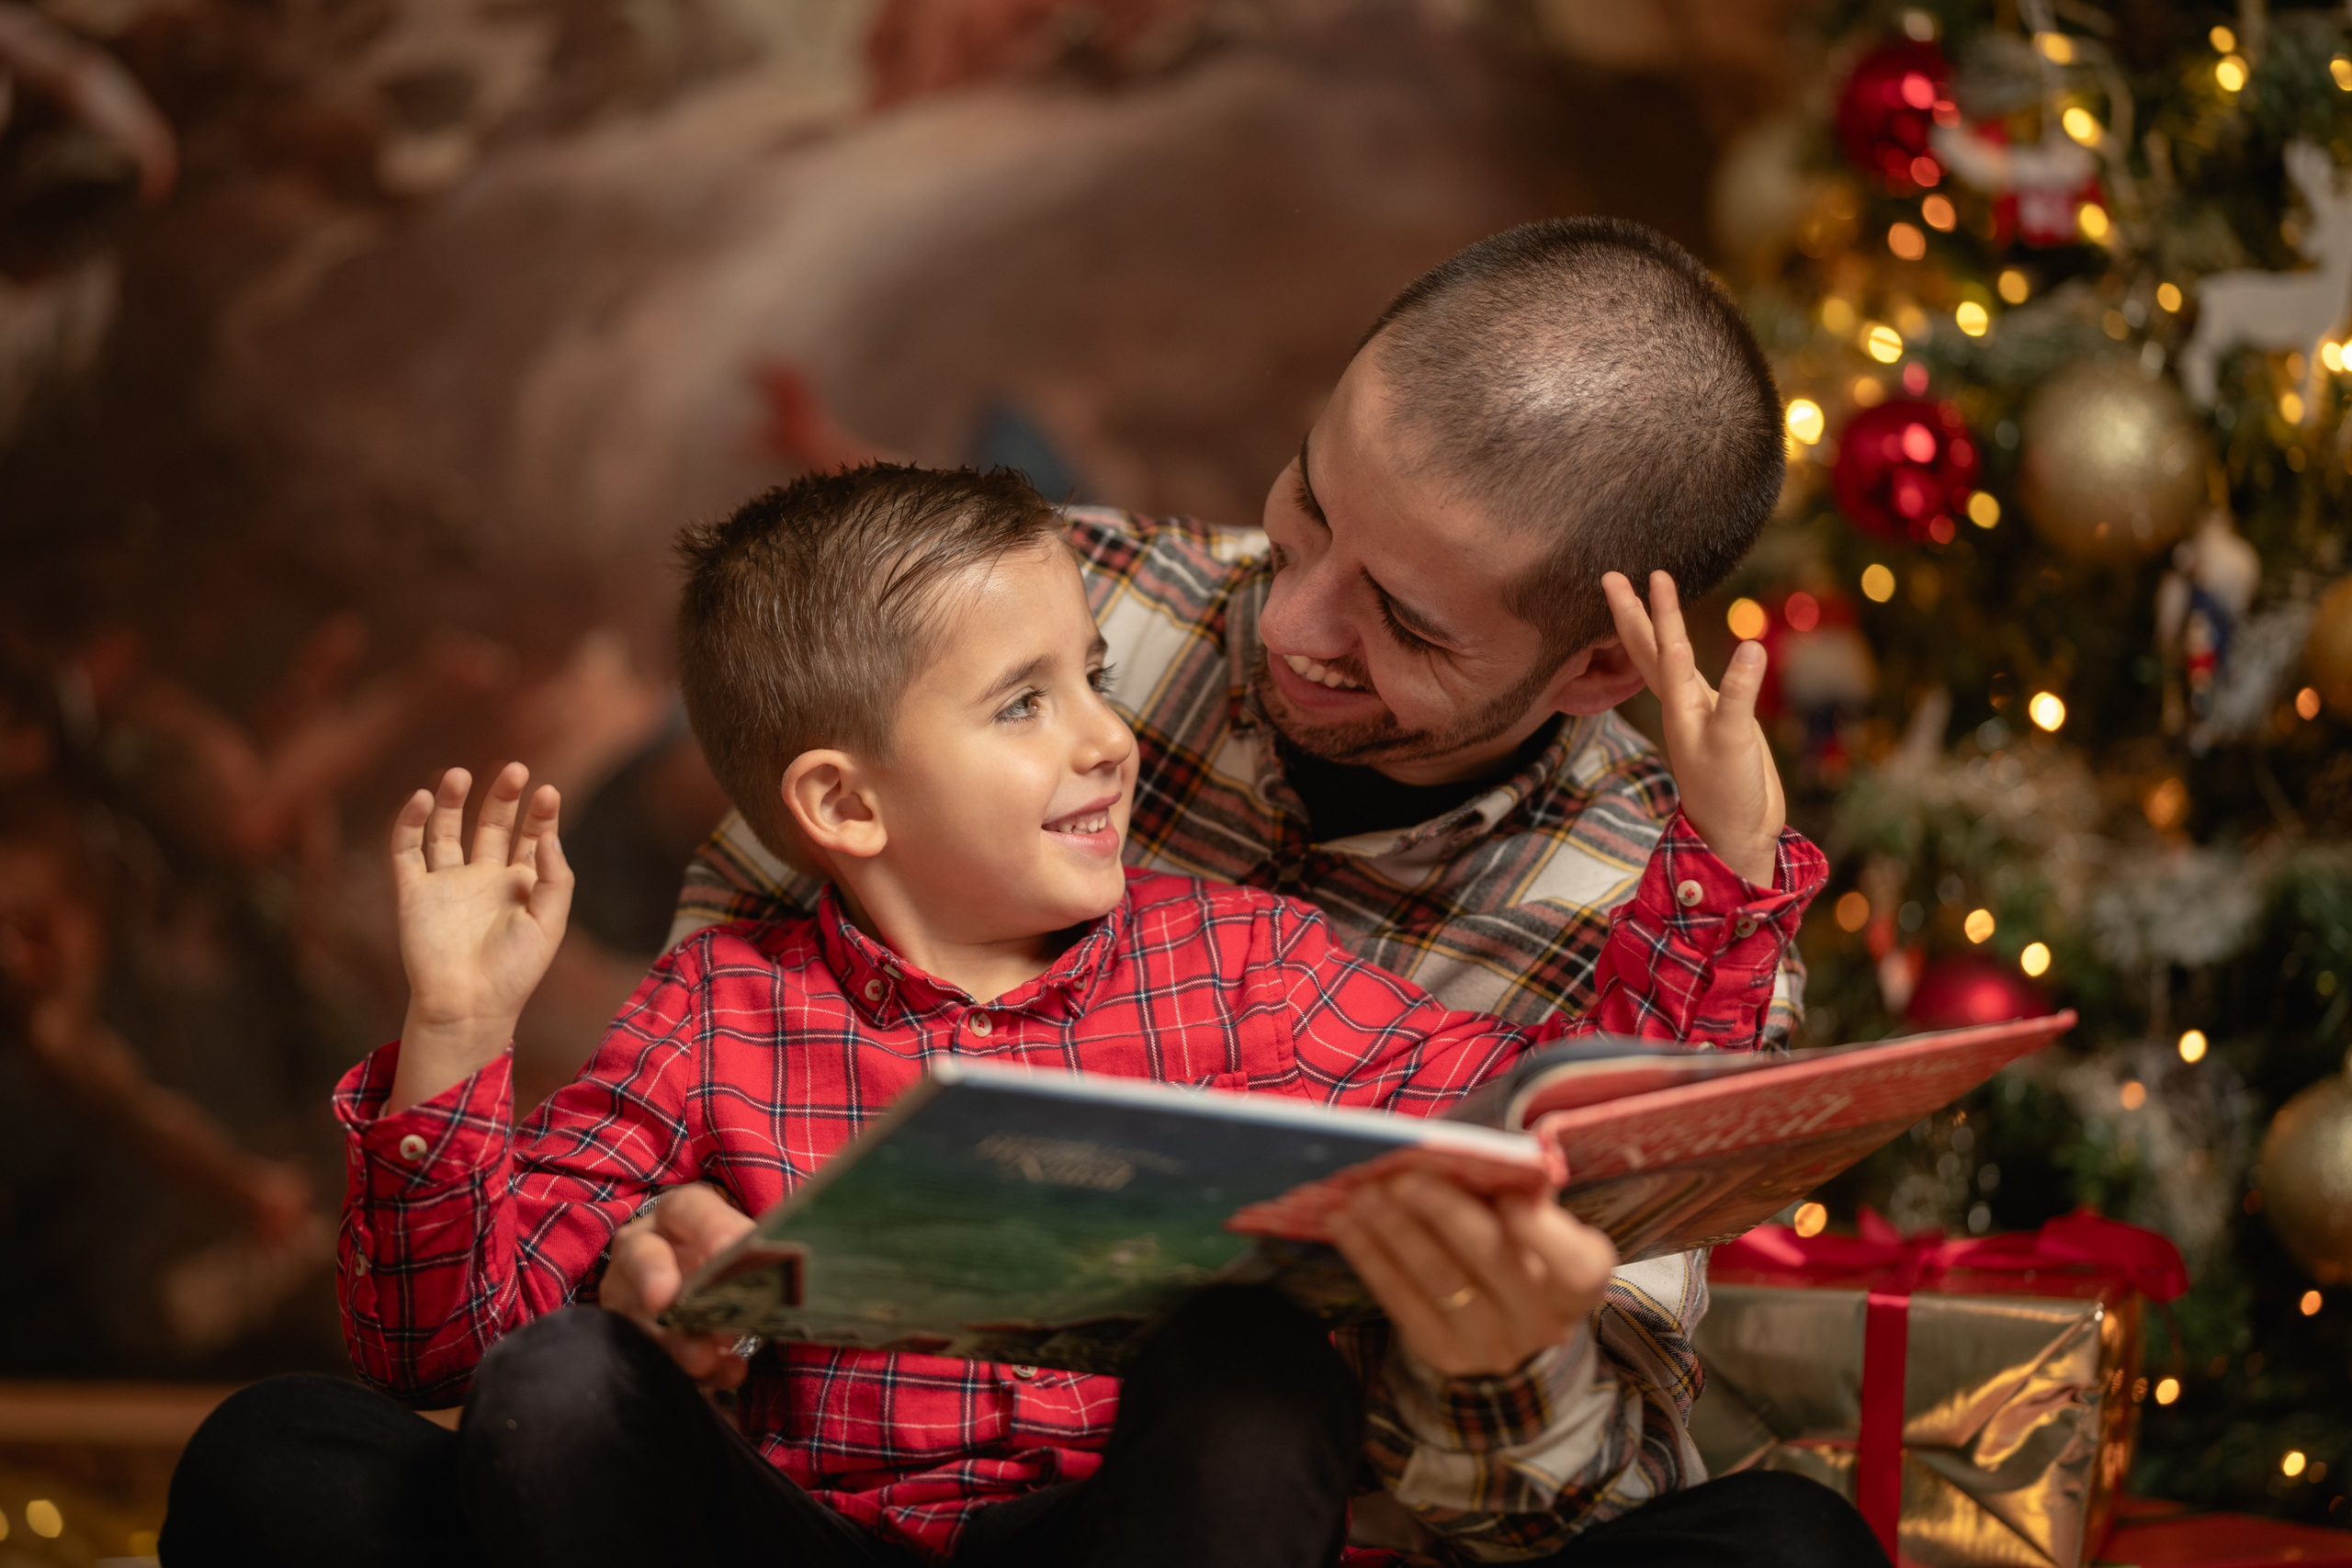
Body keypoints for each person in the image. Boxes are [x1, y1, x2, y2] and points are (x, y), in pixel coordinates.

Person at [163, 453, 1865, 1568]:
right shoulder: (716, 1008)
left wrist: (1714, 859)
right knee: (447, 1416)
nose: (1109, 743)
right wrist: (458, 1029)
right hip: (819, 1541)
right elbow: (440, 1351)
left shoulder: (1241, 966)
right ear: (842, 805)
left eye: (1097, 684)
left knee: (1283, 1375)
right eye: (1025, 704)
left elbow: (1552, 1114)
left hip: (1137, 1541)